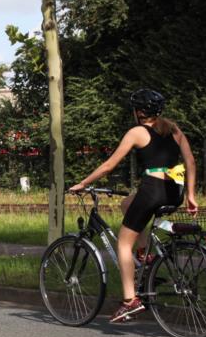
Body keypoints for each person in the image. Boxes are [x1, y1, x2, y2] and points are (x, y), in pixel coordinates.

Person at [68, 89, 198, 323]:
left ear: (138, 112)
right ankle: (145, 255)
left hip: (152, 191)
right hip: (174, 192)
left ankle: (130, 301)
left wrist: (83, 183)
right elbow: (190, 161)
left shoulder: (137, 132)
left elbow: (109, 166)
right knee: (127, 203)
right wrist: (190, 195)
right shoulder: (174, 130)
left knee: (123, 245)